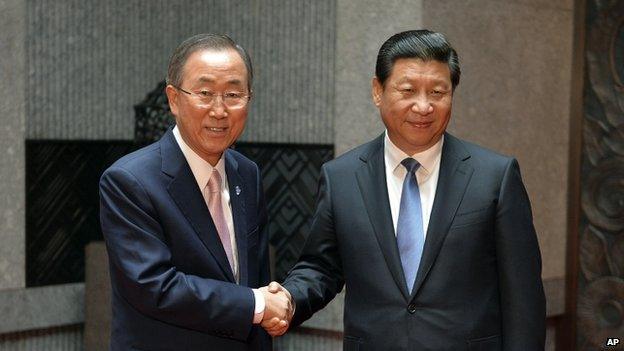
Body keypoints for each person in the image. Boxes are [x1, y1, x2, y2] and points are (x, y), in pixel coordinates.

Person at [266, 29, 546, 350]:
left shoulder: (495, 176)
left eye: (438, 92)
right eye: (408, 90)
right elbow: (321, 267)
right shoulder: (341, 176)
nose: (423, 106)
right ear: (377, 90)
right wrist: (288, 299)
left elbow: (523, 296)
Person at [99, 33, 291, 351]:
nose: (219, 110)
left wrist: (266, 306)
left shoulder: (247, 173)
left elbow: (254, 277)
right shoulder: (129, 180)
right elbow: (154, 286)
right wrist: (256, 304)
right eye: (205, 93)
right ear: (174, 99)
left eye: (233, 94)